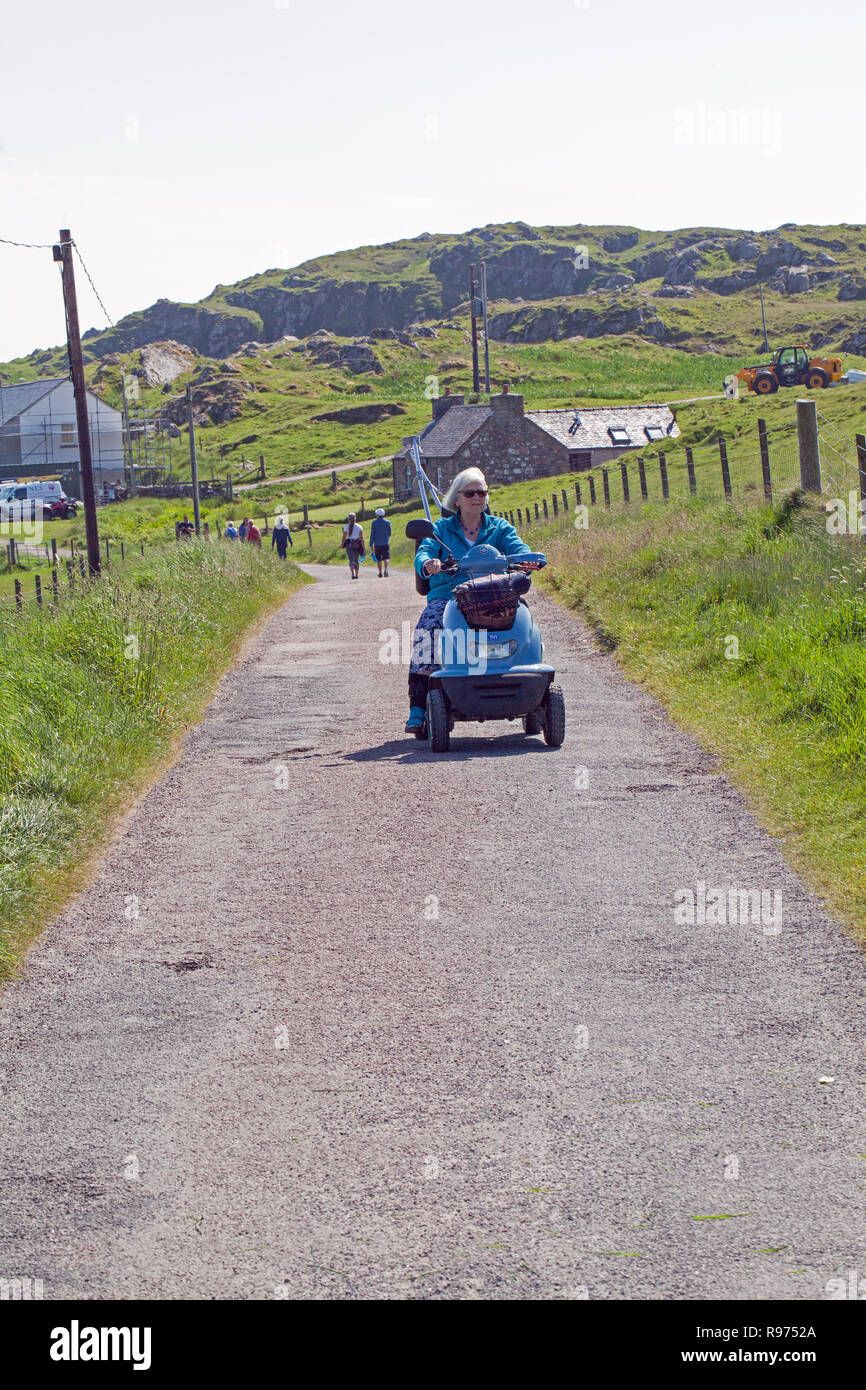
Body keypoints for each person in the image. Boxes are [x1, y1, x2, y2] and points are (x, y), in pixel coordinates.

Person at [406, 467, 532, 733]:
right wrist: (428, 562)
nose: (477, 497)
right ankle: (418, 706)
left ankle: (528, 675)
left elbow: (518, 548)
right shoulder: (440, 529)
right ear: (457, 499)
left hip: (495, 593)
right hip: (449, 595)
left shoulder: (500, 527)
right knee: (427, 629)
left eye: (482, 492)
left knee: (524, 620)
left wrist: (526, 559)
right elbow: (425, 551)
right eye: (470, 493)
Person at [341, 512, 365, 579]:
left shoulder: (346, 527)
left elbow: (344, 537)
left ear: (348, 519)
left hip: (349, 544)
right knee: (356, 559)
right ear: (355, 519)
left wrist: (342, 544)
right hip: (357, 545)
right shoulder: (359, 527)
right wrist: (363, 547)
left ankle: (352, 574)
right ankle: (357, 575)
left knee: (351, 559)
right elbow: (361, 538)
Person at [369, 507, 392, 577]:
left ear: (377, 515)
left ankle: (380, 572)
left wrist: (371, 544)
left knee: (378, 559)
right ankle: (386, 570)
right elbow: (390, 533)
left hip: (377, 544)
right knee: (386, 558)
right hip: (385, 543)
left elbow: (372, 534)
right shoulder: (388, 522)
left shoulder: (374, 523)